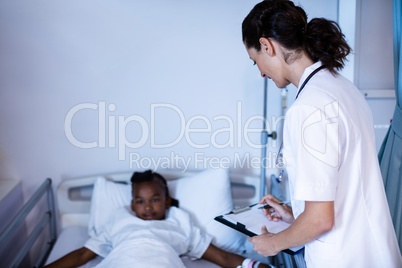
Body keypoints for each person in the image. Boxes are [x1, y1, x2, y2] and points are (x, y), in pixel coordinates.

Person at [242, 0, 402, 267]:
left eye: (255, 60)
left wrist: (272, 243)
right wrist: (296, 214)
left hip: (344, 258)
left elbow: (320, 220)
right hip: (375, 251)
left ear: (267, 46)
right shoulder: (342, 87)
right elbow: (346, 187)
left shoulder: (308, 108)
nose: (260, 72)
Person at [45, 170, 271, 268]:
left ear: (167, 200)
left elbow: (219, 256)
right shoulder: (119, 218)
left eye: (154, 199)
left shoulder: (180, 221)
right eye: (140, 201)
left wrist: (251, 264)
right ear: (132, 204)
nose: (147, 207)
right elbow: (84, 254)